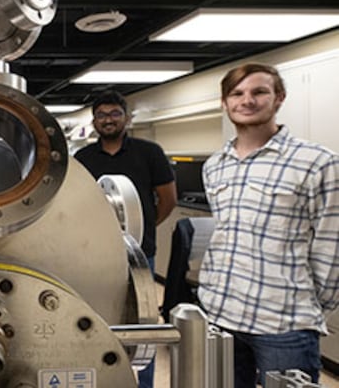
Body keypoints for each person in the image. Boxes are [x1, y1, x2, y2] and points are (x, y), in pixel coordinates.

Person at [199, 63, 339, 387]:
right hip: (221, 314)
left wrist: (309, 307)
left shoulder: (318, 162)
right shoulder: (215, 166)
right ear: (225, 103)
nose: (247, 100)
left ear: (279, 98)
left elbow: (332, 246)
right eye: (237, 93)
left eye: (259, 91)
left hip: (284, 324)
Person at [74, 91, 176, 388]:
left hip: (141, 253)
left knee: (143, 323)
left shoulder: (149, 152)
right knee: (95, 316)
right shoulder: (84, 158)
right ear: (94, 121)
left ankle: (143, 384)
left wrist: (140, 228)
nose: (108, 120)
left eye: (115, 114)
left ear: (126, 118)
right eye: (102, 115)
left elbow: (167, 198)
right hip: (94, 254)